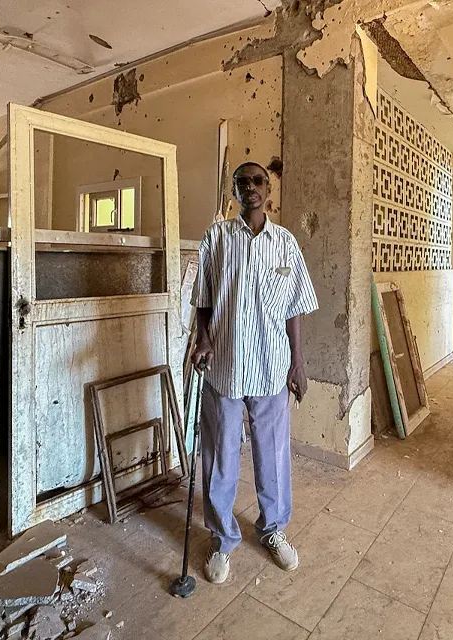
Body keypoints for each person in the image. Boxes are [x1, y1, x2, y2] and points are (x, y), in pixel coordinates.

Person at [190, 162, 318, 584]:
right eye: (242, 182)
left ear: (269, 189)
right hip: (224, 364)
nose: (251, 188)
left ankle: (273, 529)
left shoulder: (285, 243)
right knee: (220, 456)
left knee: (273, 454)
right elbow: (205, 298)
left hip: (270, 365)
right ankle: (222, 539)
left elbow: (295, 306)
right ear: (234, 190)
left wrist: (297, 361)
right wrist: (203, 339)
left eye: (258, 181)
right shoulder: (217, 238)